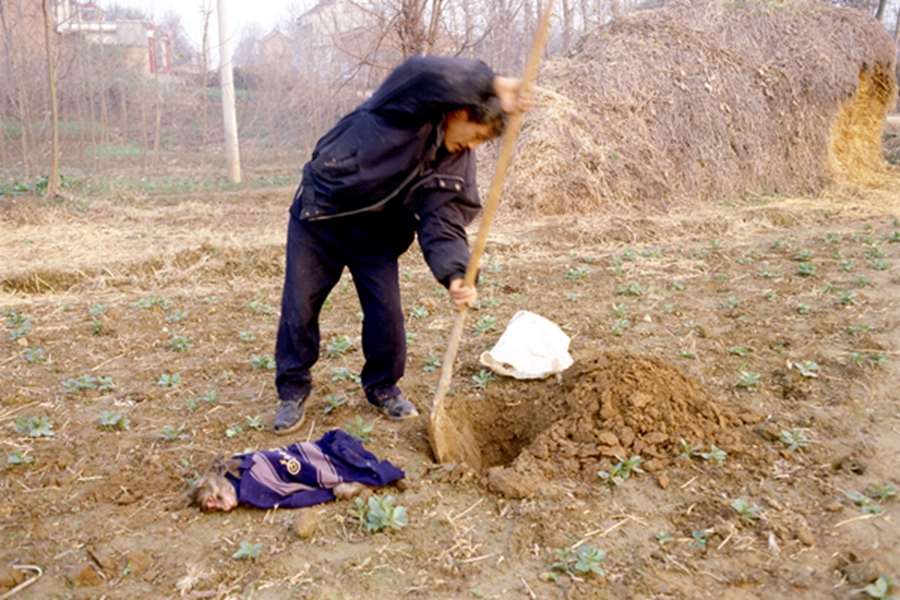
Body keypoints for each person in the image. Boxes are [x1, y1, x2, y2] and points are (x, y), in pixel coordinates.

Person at [273, 55, 527, 435]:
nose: (471, 146)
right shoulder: (407, 105)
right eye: (475, 133)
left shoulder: (456, 161)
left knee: (386, 315)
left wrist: (455, 274)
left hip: (376, 233)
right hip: (320, 217)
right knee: (300, 306)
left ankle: (382, 388)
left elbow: (443, 220)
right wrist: (491, 83)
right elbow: (421, 73)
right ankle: (292, 390)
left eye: (482, 143)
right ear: (459, 111)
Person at [191, 429, 405, 512]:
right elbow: (294, 497)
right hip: (320, 466)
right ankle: (362, 479)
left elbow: (276, 456)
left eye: (215, 499)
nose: (225, 506)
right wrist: (331, 491)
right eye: (218, 506)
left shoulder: (235, 465)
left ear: (201, 481)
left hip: (319, 453)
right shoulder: (256, 492)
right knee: (341, 485)